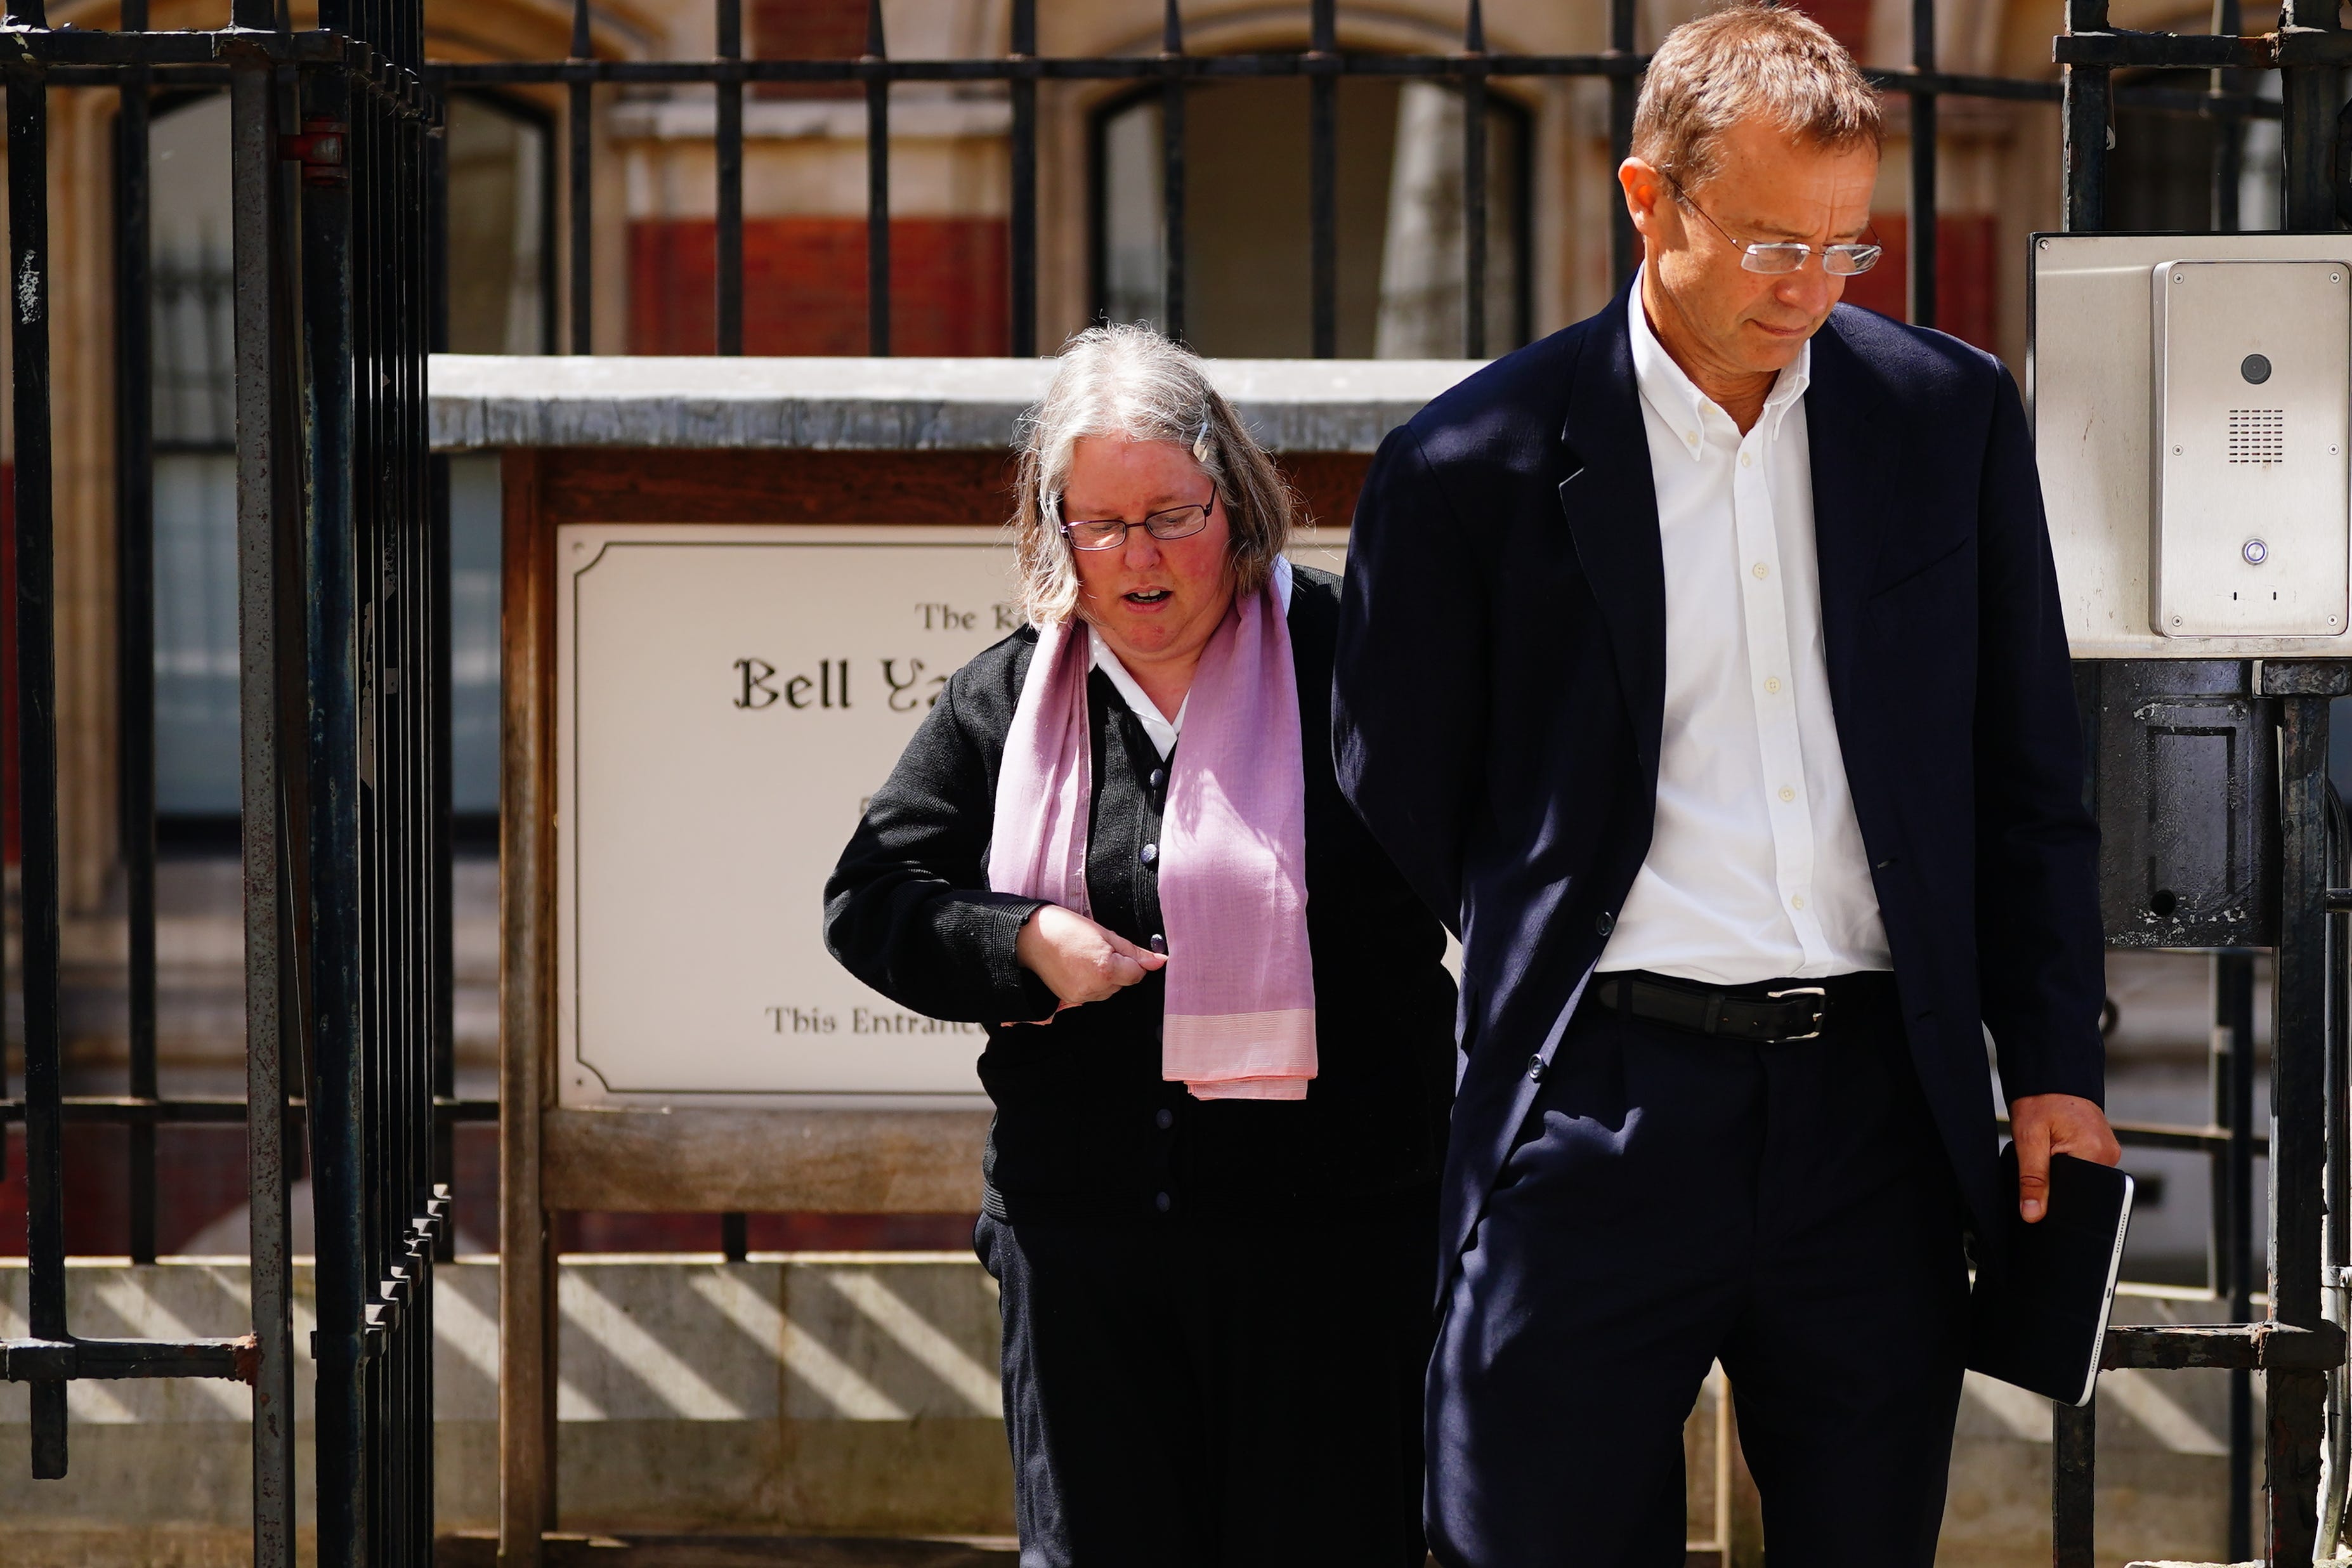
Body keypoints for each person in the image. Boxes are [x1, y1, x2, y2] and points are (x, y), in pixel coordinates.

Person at [1331, 8, 2121, 1565]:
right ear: (1650, 198)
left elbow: (2026, 774)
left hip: (1877, 1121)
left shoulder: (1946, 418)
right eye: (1775, 244)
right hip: (1600, 1105)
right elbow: (1397, 787)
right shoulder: (1467, 465)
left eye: (1848, 250)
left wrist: (2051, 1065)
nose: (1813, 290)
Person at [824, 323, 1454, 1568]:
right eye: (1098, 525)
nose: (1136, 557)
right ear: (1055, 529)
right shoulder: (1014, 695)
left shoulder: (1352, 662)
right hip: (1086, 1251)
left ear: (1237, 499)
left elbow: (1479, 871)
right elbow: (872, 895)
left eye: (1171, 515)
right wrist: (1024, 943)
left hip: (1329, 1252)